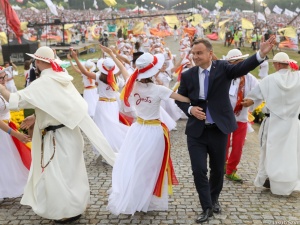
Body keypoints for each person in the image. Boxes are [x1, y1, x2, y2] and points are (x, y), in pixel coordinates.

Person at [0, 46, 116, 223]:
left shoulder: (43, 83)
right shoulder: (62, 79)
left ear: (38, 62)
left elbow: (15, 101)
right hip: (70, 134)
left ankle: (64, 212)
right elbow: (60, 106)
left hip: (56, 138)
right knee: (72, 173)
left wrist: (0, 87)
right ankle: (75, 207)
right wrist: (36, 115)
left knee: (57, 175)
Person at [175, 37, 275, 223]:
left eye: (199, 53)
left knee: (217, 169)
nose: (195, 57)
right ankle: (206, 207)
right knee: (198, 170)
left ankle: (214, 199)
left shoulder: (222, 68)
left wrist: (261, 54)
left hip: (218, 130)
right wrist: (190, 109)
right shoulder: (188, 75)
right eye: (193, 53)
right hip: (196, 132)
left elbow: (242, 68)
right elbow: (179, 98)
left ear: (210, 53)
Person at [107, 51, 190, 215]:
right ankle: (147, 198)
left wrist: (111, 54)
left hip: (137, 130)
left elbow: (122, 68)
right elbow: (183, 99)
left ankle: (135, 197)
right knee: (151, 167)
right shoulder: (158, 89)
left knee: (136, 164)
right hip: (153, 132)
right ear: (154, 71)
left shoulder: (133, 84)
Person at [242, 52, 300, 196]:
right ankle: (290, 182)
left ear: (278, 64)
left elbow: (254, 97)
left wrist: (247, 102)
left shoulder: (269, 79)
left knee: (271, 151)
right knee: (291, 152)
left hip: (274, 122)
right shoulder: (298, 78)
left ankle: (271, 180)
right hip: (292, 123)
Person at [224, 49, 260, 182]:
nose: (240, 66)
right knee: (223, 144)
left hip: (241, 118)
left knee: (238, 146)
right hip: (225, 118)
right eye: (237, 63)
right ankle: (222, 164)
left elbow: (260, 93)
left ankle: (231, 169)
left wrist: (252, 101)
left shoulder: (250, 78)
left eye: (241, 62)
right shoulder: (224, 76)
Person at [0, 67, 31, 203]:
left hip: (7, 129)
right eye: (1, 77)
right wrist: (15, 134)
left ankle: (8, 185)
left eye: (4, 77)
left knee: (10, 159)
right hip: (3, 130)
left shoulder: (4, 90)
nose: (4, 80)